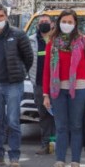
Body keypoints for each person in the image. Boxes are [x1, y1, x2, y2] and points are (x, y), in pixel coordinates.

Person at [42, 10, 85, 167]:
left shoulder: (84, 42)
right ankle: (59, 165)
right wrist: (46, 94)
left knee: (76, 127)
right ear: (58, 22)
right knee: (61, 127)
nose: (66, 24)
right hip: (57, 90)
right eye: (64, 21)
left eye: (70, 21)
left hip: (80, 89)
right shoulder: (52, 43)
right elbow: (46, 69)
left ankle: (75, 165)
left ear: (75, 24)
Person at [0, 4, 34, 167]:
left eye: (1, 16)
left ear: (6, 17)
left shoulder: (18, 34)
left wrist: (20, 73)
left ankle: (14, 157)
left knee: (13, 121)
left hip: (13, 85)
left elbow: (29, 57)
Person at [28, 14, 56, 154]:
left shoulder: (58, 40)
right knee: (44, 114)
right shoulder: (31, 40)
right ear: (37, 26)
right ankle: (45, 144)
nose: (43, 24)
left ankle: (57, 143)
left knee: (58, 114)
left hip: (58, 84)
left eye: (46, 21)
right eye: (41, 22)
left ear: (52, 24)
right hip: (39, 84)